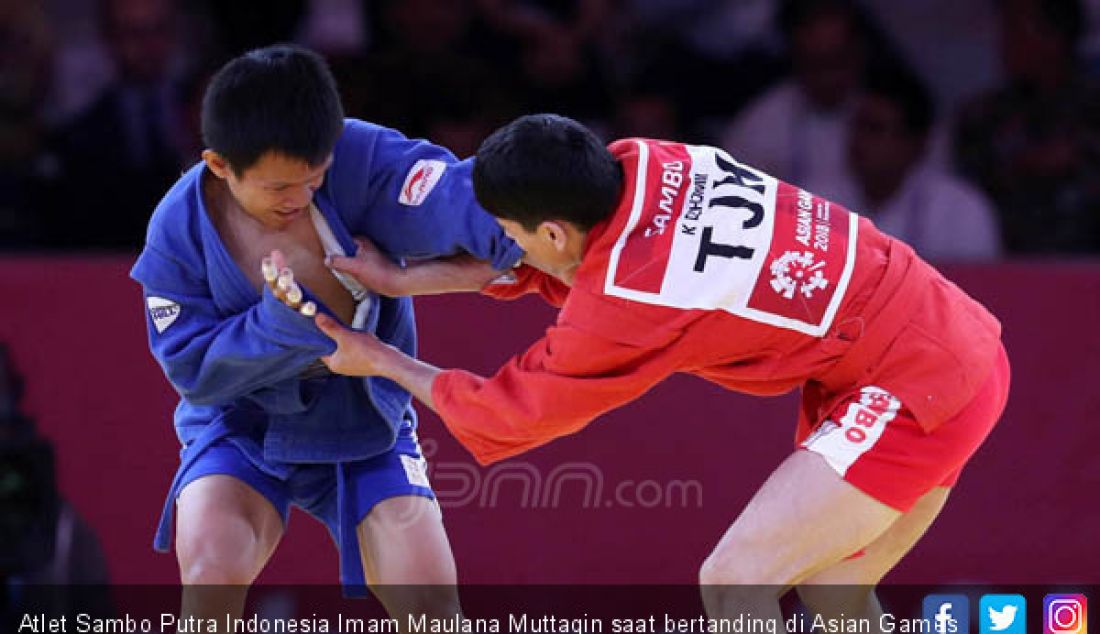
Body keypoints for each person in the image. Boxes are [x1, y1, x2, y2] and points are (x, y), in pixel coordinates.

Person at [309, 114, 1010, 622]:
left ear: (550, 230)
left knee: (736, 582)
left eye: (512, 236)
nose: (509, 251)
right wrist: (408, 282)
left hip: (913, 381)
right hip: (942, 333)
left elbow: (510, 410)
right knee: (834, 593)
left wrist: (377, 358)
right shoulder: (643, 159)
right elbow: (581, 268)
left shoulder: (629, 295)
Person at [129, 45, 522, 622]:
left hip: (363, 419)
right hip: (241, 423)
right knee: (211, 578)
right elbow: (191, 369)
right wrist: (278, 327)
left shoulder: (360, 157)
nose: (300, 198)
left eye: (313, 179)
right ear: (218, 165)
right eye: (278, 188)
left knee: (434, 607)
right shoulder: (177, 227)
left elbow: (450, 197)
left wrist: (517, 224)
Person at [840, 67, 1002, 260]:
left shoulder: (961, 210)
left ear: (915, 144)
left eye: (875, 129)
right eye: (857, 126)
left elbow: (978, 287)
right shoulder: (820, 199)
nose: (859, 140)